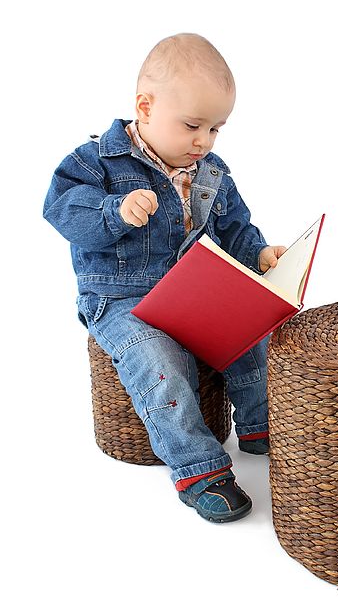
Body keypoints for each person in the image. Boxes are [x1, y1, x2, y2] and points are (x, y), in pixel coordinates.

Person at [43, 33, 287, 523]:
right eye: (193, 125)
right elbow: (60, 208)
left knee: (250, 334)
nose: (204, 141)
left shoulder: (210, 171)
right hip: (121, 299)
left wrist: (258, 252)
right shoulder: (97, 164)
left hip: (190, 294)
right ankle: (200, 469)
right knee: (159, 361)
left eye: (217, 129)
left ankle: (264, 426)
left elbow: (233, 225)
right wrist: (114, 212)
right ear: (145, 107)